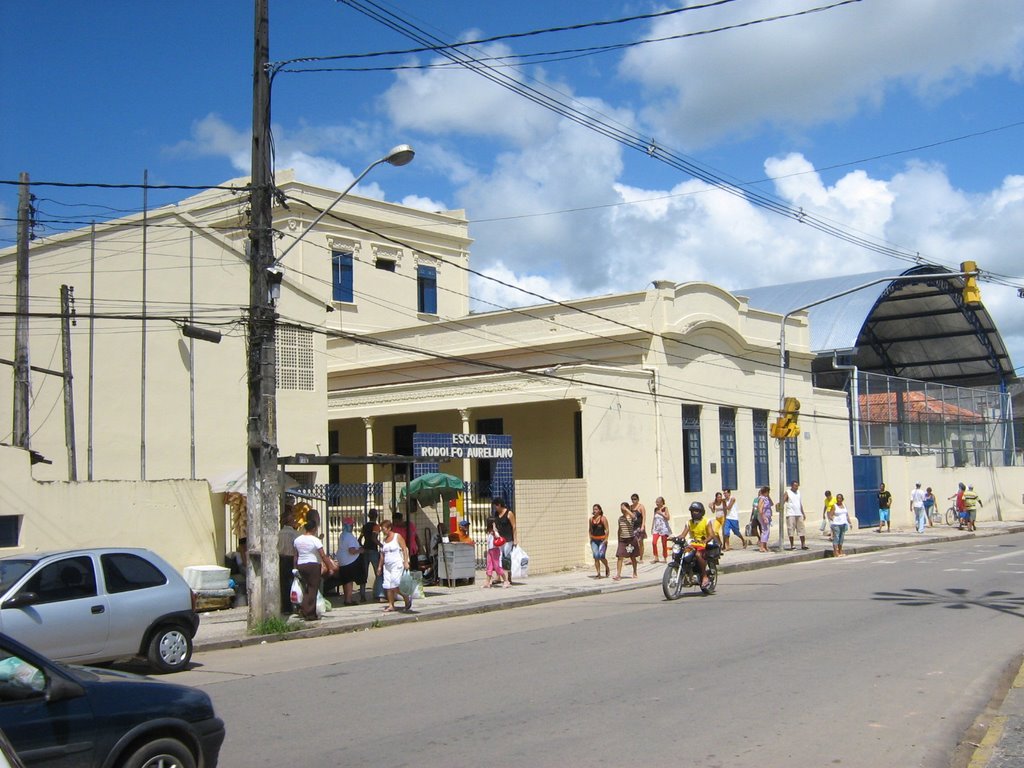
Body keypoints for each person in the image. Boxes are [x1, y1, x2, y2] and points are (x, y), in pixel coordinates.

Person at [293, 520, 334, 621]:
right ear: (314, 529)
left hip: (301, 565)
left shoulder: (297, 540)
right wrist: (330, 567)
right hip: (313, 565)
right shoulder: (315, 540)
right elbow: (323, 555)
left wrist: (295, 567)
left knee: (307, 588)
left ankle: (303, 609)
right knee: (313, 589)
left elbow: (295, 555)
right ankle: (310, 613)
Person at [678, 501, 720, 590]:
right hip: (693, 544)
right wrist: (674, 538)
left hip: (704, 544)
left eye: (696, 511)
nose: (694, 513)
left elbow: (711, 534)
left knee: (698, 555)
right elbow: (683, 534)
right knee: (680, 553)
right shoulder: (689, 522)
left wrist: (705, 541)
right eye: (692, 511)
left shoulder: (706, 521)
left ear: (701, 512)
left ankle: (704, 576)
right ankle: (685, 573)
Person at [379, 518, 412, 613]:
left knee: (394, 585)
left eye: (384, 529)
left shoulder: (397, 537)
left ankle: (406, 597)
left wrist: (405, 562)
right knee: (388, 586)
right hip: (387, 566)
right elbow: (382, 554)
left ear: (389, 528)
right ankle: (391, 605)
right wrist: (380, 566)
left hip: (396, 564)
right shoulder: (385, 540)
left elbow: (404, 549)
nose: (383, 531)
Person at [334, 518, 365, 605]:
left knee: (345, 580)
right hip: (349, 561)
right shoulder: (349, 537)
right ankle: (348, 599)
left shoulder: (342, 535)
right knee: (349, 581)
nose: (352, 527)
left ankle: (347, 599)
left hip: (343, 560)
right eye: (351, 525)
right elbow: (351, 551)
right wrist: (360, 551)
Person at [277, 509, 299, 613]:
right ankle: (294, 605)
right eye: (293, 519)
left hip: (281, 559)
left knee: (284, 584)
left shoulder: (279, 533)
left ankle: (285, 607)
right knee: (293, 583)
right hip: (291, 559)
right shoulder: (295, 534)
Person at [360, 509, 383, 602]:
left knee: (364, 574)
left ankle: (362, 595)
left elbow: (359, 538)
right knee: (378, 572)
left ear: (369, 516)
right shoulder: (376, 526)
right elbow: (374, 538)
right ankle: (378, 594)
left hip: (365, 550)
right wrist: (382, 545)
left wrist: (362, 547)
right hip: (373, 550)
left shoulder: (364, 526)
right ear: (376, 516)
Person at [492, 497, 517, 582]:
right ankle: (498, 577)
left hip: (508, 539)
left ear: (499, 505)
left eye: (495, 506)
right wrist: (495, 532)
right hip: (500, 539)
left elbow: (514, 526)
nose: (495, 508)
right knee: (499, 557)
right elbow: (495, 524)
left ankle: (508, 577)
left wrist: (515, 539)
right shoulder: (496, 514)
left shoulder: (509, 513)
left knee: (506, 557)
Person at [612, 502, 638, 581]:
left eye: (622, 508)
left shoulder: (631, 516)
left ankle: (635, 572)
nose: (622, 510)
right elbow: (619, 529)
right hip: (623, 540)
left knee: (632, 557)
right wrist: (618, 539)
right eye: (621, 509)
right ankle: (618, 575)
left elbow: (634, 517)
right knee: (620, 557)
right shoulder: (620, 518)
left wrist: (626, 509)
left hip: (631, 539)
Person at [484, 518, 509, 588]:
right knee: (489, 566)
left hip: (495, 550)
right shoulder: (489, 532)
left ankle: (506, 581)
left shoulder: (494, 532)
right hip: (490, 551)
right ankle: (487, 582)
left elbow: (498, 536)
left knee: (497, 566)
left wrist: (494, 530)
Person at [784, 480, 807, 550]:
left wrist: (803, 513)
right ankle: (792, 545)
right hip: (791, 514)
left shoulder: (798, 493)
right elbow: (783, 500)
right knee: (791, 529)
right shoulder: (788, 492)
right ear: (792, 486)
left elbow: (800, 503)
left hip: (798, 513)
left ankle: (803, 544)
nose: (797, 487)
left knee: (801, 529)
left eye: (797, 486)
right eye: (795, 486)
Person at [589, 504, 611, 577]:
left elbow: (607, 529)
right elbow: (590, 529)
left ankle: (607, 567)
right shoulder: (591, 519)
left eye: (596, 509)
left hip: (602, 540)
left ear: (599, 510)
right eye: (594, 509)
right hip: (594, 540)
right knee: (596, 556)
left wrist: (606, 539)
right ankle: (598, 573)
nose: (594, 511)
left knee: (601, 556)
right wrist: (590, 538)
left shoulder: (603, 518)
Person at [650, 497, 672, 562]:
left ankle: (665, 558)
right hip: (656, 528)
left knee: (664, 543)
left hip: (663, 528)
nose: (657, 503)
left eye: (658, 502)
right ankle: (656, 557)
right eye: (656, 502)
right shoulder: (655, 509)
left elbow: (668, 518)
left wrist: (661, 513)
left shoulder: (665, 509)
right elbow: (654, 518)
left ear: (662, 502)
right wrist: (652, 527)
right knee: (654, 542)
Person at [829, 493, 850, 557]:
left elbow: (847, 514)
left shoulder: (844, 505)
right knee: (837, 537)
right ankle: (835, 552)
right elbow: (830, 515)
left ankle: (840, 551)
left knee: (841, 538)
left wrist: (850, 522)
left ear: (842, 499)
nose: (838, 499)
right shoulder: (834, 506)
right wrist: (833, 519)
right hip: (836, 524)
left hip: (843, 523)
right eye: (837, 498)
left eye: (840, 498)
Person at [629, 493, 647, 562]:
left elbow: (644, 516)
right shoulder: (630, 507)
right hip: (633, 527)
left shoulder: (641, 507)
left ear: (638, 499)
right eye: (632, 499)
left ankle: (641, 558)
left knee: (640, 542)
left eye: (635, 499)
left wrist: (643, 526)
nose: (634, 501)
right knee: (633, 542)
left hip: (639, 526)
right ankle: (633, 557)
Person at [757, 486, 774, 553]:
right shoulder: (762, 499)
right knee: (765, 531)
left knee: (767, 531)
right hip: (764, 516)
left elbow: (772, 504)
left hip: (768, 516)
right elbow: (760, 509)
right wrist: (764, 517)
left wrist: (769, 497)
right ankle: (762, 547)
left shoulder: (766, 498)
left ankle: (765, 546)